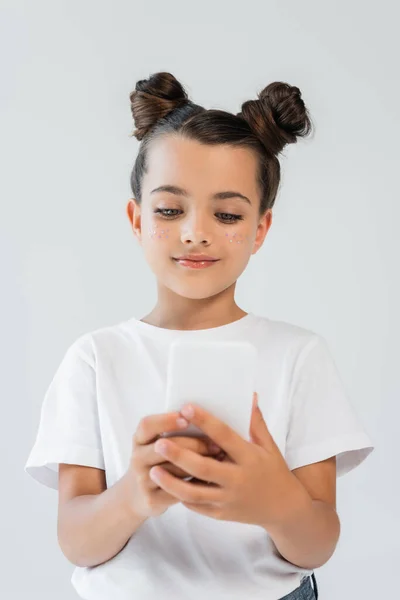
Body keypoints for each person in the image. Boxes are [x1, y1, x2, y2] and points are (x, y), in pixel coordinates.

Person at [24, 71, 375, 600]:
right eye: (169, 209)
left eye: (227, 213)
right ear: (136, 219)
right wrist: (137, 494)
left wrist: (274, 501)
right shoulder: (95, 359)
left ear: (260, 228)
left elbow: (318, 544)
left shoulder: (298, 356)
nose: (196, 231)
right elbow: (76, 541)